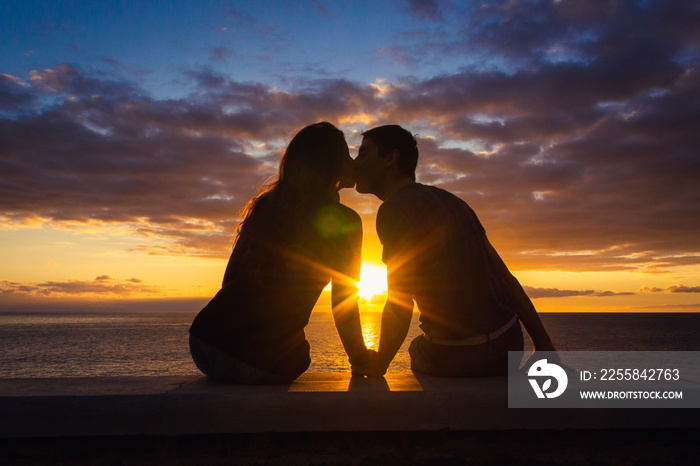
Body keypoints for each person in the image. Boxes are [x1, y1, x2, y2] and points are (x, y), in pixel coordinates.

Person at [351, 125, 557, 378]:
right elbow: (506, 277)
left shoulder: (394, 209)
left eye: (363, 154)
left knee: (417, 348)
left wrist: (378, 366)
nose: (355, 164)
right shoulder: (453, 201)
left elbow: (400, 300)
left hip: (457, 355)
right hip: (508, 345)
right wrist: (545, 346)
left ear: (391, 158)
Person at [189, 122, 369, 384]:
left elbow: (230, 278)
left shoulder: (267, 205)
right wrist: (361, 359)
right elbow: (344, 301)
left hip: (204, 344)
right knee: (300, 356)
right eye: (345, 155)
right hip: (261, 361)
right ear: (329, 164)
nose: (352, 162)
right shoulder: (345, 220)